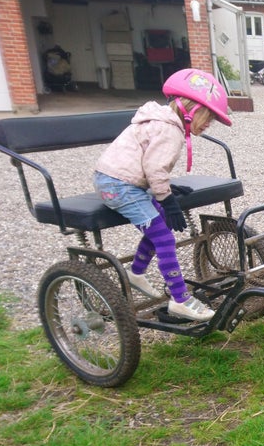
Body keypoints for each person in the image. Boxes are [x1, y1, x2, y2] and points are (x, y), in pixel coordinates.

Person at [93, 68, 232, 321]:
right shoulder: (170, 130)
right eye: (208, 116)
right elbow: (154, 167)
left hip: (119, 181)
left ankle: (136, 271)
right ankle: (179, 300)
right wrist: (167, 201)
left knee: (160, 227)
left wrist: (166, 188)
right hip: (119, 186)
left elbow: (150, 165)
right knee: (165, 238)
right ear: (191, 110)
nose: (209, 123)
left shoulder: (164, 122)